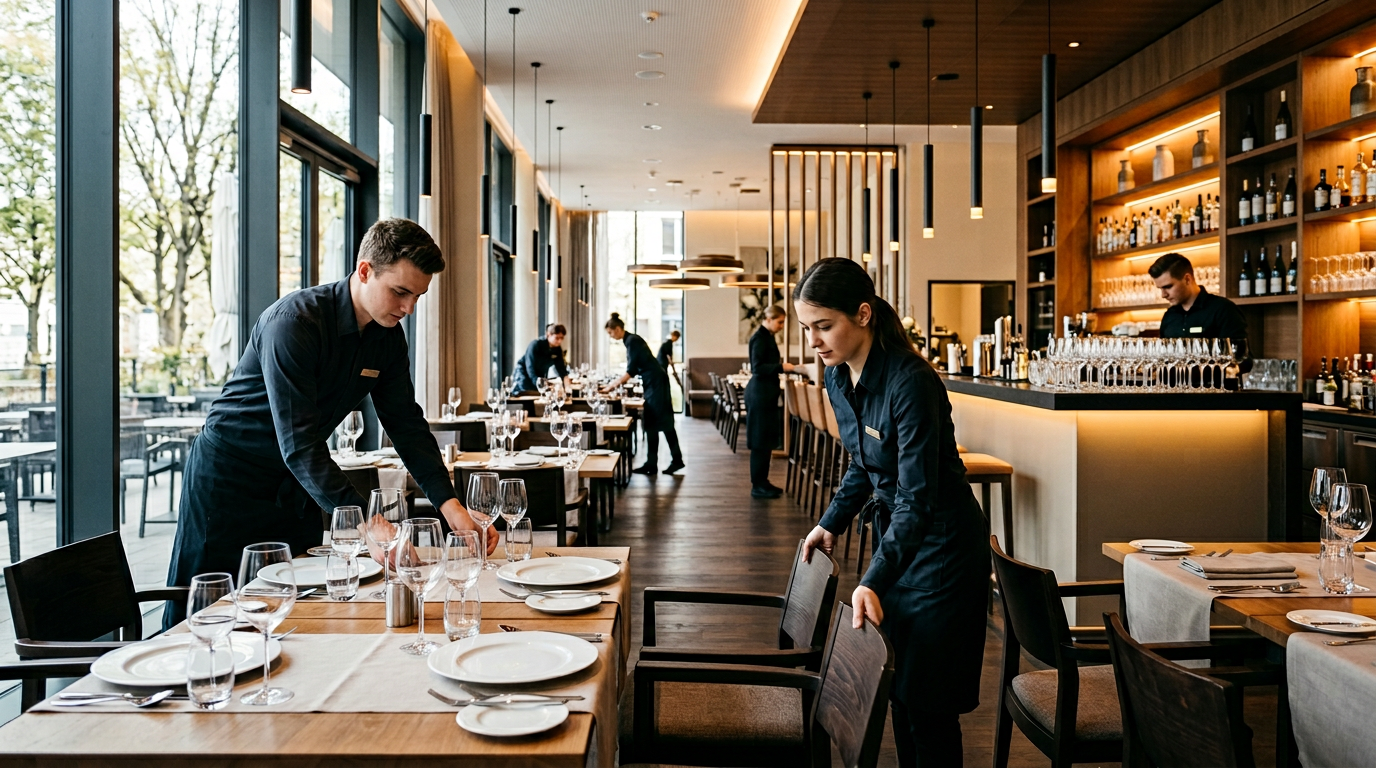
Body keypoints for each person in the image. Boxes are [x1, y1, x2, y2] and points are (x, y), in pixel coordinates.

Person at [167, 218, 493, 619]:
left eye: (417, 297)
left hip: (295, 487)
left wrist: (451, 507)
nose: (408, 308)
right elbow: (301, 444)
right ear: (365, 271)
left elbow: (406, 424)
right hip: (229, 481)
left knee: (292, 611)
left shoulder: (386, 336)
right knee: (201, 612)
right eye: (400, 292)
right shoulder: (294, 323)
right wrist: (368, 525)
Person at [796, 259, 988, 767]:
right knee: (900, 689)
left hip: (943, 549)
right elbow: (863, 463)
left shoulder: (911, 383)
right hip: (901, 542)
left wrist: (875, 578)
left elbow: (917, 497)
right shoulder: (839, 379)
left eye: (823, 325)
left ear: (862, 314)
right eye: (806, 328)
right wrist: (829, 521)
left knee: (929, 703)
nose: (814, 340)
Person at [603, 312, 684, 475]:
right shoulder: (631, 340)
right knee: (653, 423)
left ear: (618, 329)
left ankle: (674, 461)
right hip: (654, 382)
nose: (611, 337)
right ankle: (653, 463)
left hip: (656, 383)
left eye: (611, 333)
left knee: (661, 422)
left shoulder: (632, 341)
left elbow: (631, 369)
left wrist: (611, 386)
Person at [746, 306, 807, 499]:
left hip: (764, 394)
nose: (782, 326)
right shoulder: (760, 338)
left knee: (764, 441)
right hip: (759, 394)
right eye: (780, 322)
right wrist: (782, 366)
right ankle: (758, 485)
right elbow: (758, 368)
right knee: (759, 442)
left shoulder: (766, 337)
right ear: (769, 319)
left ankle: (763, 481)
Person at [1151, 252, 1248, 340]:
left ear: (1187, 279)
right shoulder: (1169, 316)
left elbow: (1240, 356)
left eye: (1168, 287)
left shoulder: (1223, 309)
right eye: (1160, 288)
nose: (1163, 295)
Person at [513, 323, 569, 394]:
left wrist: (566, 386)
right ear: (549, 335)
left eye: (562, 338)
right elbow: (530, 367)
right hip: (524, 375)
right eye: (557, 338)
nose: (560, 341)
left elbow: (561, 369)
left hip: (538, 377)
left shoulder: (557, 349)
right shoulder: (535, 345)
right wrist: (539, 384)